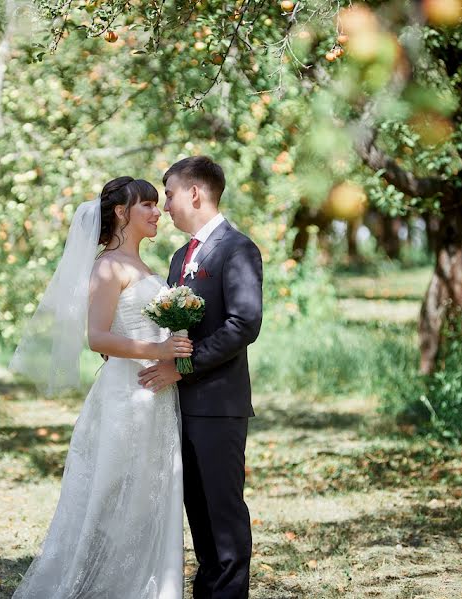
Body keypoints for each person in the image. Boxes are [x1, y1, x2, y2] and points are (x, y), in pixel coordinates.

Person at [9, 176, 190, 599]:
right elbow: (97, 337)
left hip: (157, 395)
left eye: (157, 204)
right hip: (126, 395)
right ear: (122, 213)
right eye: (146, 205)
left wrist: (173, 354)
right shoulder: (108, 266)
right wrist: (158, 348)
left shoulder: (144, 265)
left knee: (149, 495)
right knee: (114, 496)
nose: (156, 211)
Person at [138, 156, 263, 599]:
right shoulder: (179, 257)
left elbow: (243, 324)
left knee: (223, 516)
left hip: (217, 405)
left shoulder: (237, 248)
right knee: (198, 516)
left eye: (169, 193)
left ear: (195, 192)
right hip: (179, 406)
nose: (165, 205)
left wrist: (183, 367)